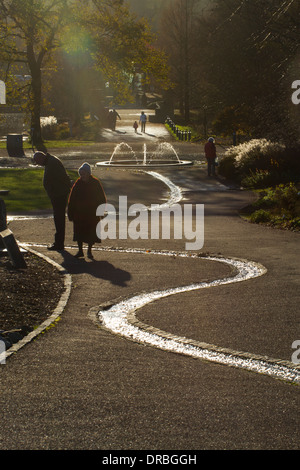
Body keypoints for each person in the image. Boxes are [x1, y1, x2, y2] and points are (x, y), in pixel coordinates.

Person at [33, 151, 72, 251]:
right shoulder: (50, 161)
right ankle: (58, 242)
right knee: (58, 218)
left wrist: (59, 190)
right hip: (58, 194)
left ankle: (59, 244)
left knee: (59, 218)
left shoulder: (52, 162)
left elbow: (63, 177)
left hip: (59, 195)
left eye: (37, 162)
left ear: (41, 158)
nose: (38, 164)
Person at [67, 163, 106, 259]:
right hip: (79, 213)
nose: (82, 176)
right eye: (81, 174)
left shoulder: (95, 183)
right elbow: (72, 199)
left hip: (92, 212)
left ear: (88, 173)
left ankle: (89, 250)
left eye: (83, 173)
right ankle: (80, 250)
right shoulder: (78, 183)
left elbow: (101, 197)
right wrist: (70, 212)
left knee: (91, 232)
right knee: (79, 232)